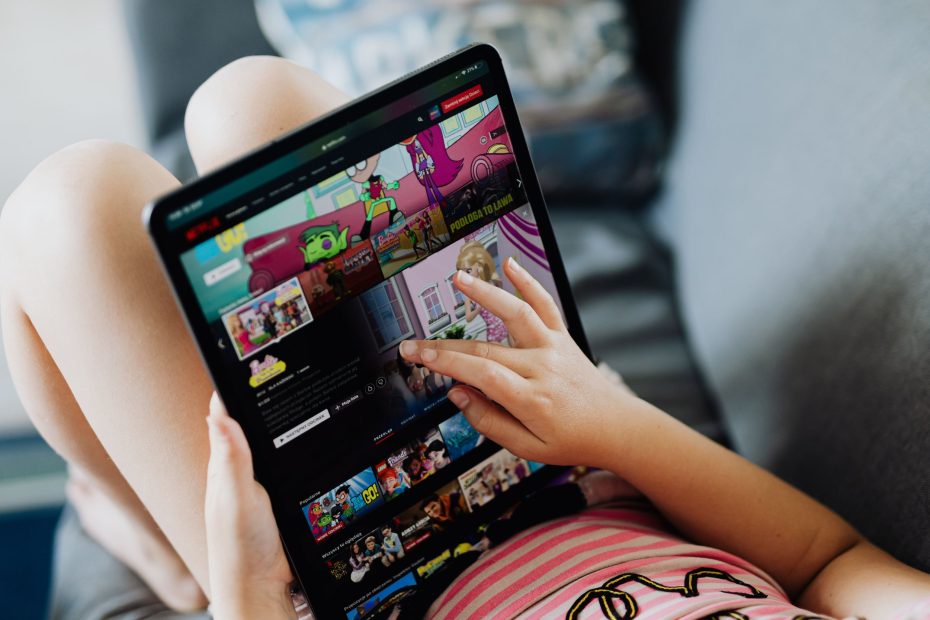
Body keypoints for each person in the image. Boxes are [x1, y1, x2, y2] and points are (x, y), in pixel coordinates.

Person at [3, 56, 928, 619]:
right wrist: (612, 420)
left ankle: (166, 553)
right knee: (254, 101)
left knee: (63, 210)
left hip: (356, 586)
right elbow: (828, 561)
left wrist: (244, 588)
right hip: (560, 471)